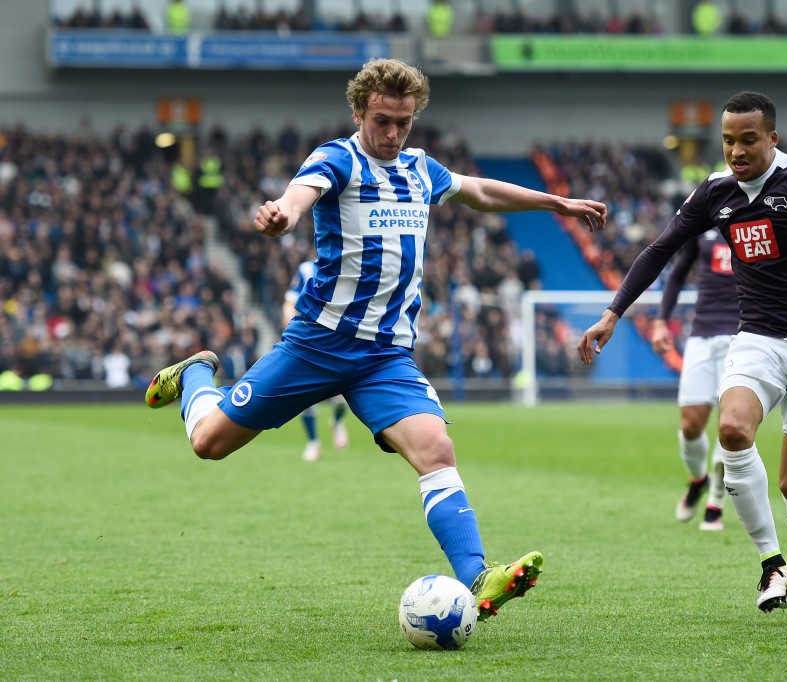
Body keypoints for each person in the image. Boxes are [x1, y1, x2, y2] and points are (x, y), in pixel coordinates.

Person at [146, 57, 607, 620]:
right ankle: (196, 373)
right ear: (360, 111)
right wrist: (281, 218)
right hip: (316, 345)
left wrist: (555, 201)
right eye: (383, 120)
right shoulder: (337, 158)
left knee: (437, 451)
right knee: (209, 443)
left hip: (385, 357)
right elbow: (299, 197)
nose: (392, 134)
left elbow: (479, 191)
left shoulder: (420, 169)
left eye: (403, 122)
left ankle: (478, 577)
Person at [578, 91, 787, 612]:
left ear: (772, 139)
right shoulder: (715, 193)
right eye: (727, 141)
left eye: (747, 140)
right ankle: (771, 565)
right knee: (733, 429)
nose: (735, 151)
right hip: (758, 337)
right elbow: (660, 250)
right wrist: (613, 313)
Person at [650, 228, 739, 531]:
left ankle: (716, 499)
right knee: (690, 426)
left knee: (731, 423)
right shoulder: (708, 213)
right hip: (702, 333)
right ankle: (699, 480)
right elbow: (677, 273)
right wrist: (661, 320)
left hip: (746, 335)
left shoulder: (767, 213)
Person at [283, 259, 350, 461]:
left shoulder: (349, 265)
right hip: (310, 340)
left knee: (344, 397)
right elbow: (289, 301)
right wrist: (291, 332)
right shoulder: (306, 269)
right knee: (305, 397)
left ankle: (336, 422)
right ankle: (313, 442)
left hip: (339, 341)